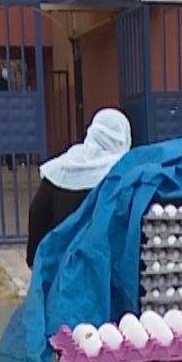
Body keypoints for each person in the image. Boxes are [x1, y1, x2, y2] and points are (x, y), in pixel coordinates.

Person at [27, 108, 132, 268]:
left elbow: (37, 212)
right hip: (103, 266)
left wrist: (34, 260)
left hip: (61, 261)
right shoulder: (123, 172)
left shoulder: (62, 167)